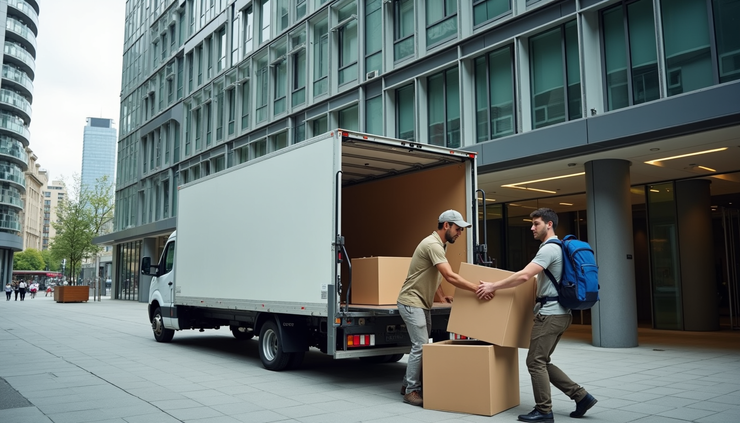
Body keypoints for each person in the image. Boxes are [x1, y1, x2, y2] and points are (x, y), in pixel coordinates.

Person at [476, 208, 597, 422]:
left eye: (536, 223)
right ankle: (581, 396)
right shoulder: (558, 247)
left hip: (550, 315)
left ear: (549, 224)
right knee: (542, 361)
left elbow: (524, 276)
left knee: (535, 362)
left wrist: (493, 286)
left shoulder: (549, 249)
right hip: (561, 314)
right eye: (532, 224)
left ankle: (544, 411)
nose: (532, 228)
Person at [397, 209, 492, 407]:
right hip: (410, 301)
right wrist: (477, 289)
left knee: (423, 345)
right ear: (446, 225)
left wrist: (441, 297)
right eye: (458, 229)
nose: (460, 233)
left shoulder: (440, 245)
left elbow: (436, 275)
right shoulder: (433, 245)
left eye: (462, 230)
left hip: (422, 302)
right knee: (420, 345)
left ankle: (407, 385)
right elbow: (449, 275)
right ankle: (412, 391)